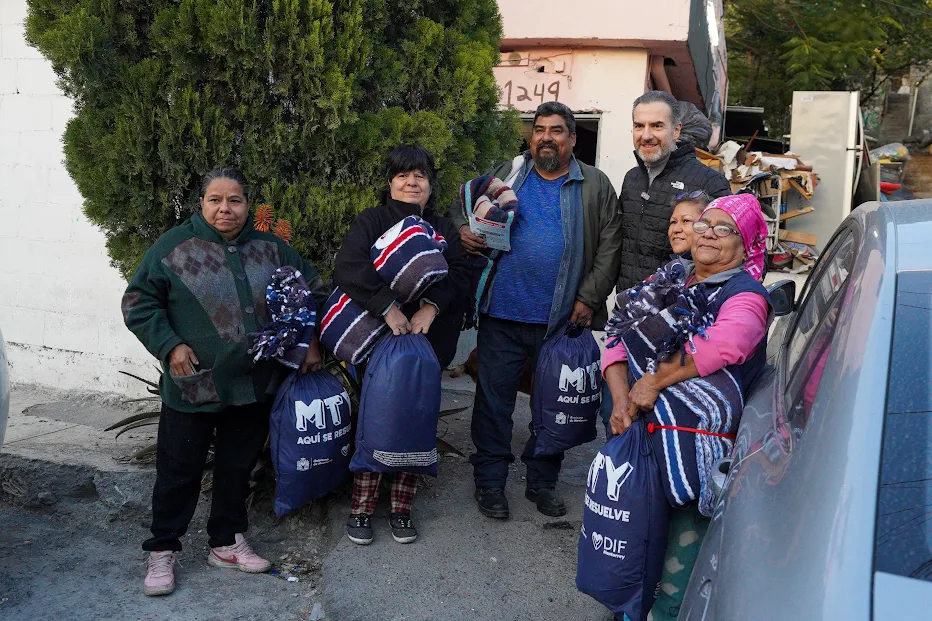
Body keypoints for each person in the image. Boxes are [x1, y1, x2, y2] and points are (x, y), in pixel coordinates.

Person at [122, 167, 328, 597]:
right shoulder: (173, 247)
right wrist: (170, 345)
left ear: (248, 204)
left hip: (252, 383)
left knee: (237, 468)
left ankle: (226, 543)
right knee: (179, 471)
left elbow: (313, 288)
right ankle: (163, 550)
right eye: (215, 199)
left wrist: (309, 340)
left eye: (234, 200)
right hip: (193, 384)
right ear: (201, 203)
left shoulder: (271, 247)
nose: (225, 209)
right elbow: (138, 302)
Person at [601, 193, 771, 621]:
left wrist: (655, 380)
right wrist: (622, 398)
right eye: (704, 224)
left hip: (695, 455)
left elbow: (726, 344)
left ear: (747, 241)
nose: (708, 233)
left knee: (676, 569)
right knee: (631, 546)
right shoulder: (671, 278)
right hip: (641, 436)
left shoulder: (746, 295)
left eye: (724, 228)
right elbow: (618, 334)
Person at [452, 101, 622, 520]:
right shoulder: (509, 172)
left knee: (552, 405)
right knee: (494, 402)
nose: (547, 137)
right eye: (540, 129)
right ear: (531, 136)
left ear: (573, 139)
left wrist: (588, 298)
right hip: (501, 313)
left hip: (561, 319)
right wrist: (462, 228)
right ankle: (490, 482)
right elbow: (467, 202)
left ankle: (542, 480)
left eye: (557, 130)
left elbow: (610, 246)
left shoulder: (595, 185)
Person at [332, 144, 470, 545]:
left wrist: (431, 306)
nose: (412, 182)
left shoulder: (442, 228)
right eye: (403, 175)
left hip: (427, 345)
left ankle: (401, 508)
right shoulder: (372, 221)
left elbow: (461, 276)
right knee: (376, 418)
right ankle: (361, 508)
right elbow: (349, 267)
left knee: (416, 420)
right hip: (377, 339)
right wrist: (387, 307)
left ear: (431, 185)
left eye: (420, 175)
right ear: (390, 182)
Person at [617, 90, 731, 292]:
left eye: (657, 126)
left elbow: (730, 252)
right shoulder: (632, 179)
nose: (646, 135)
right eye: (639, 126)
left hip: (677, 310)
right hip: (629, 306)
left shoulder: (710, 182)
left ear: (676, 130)